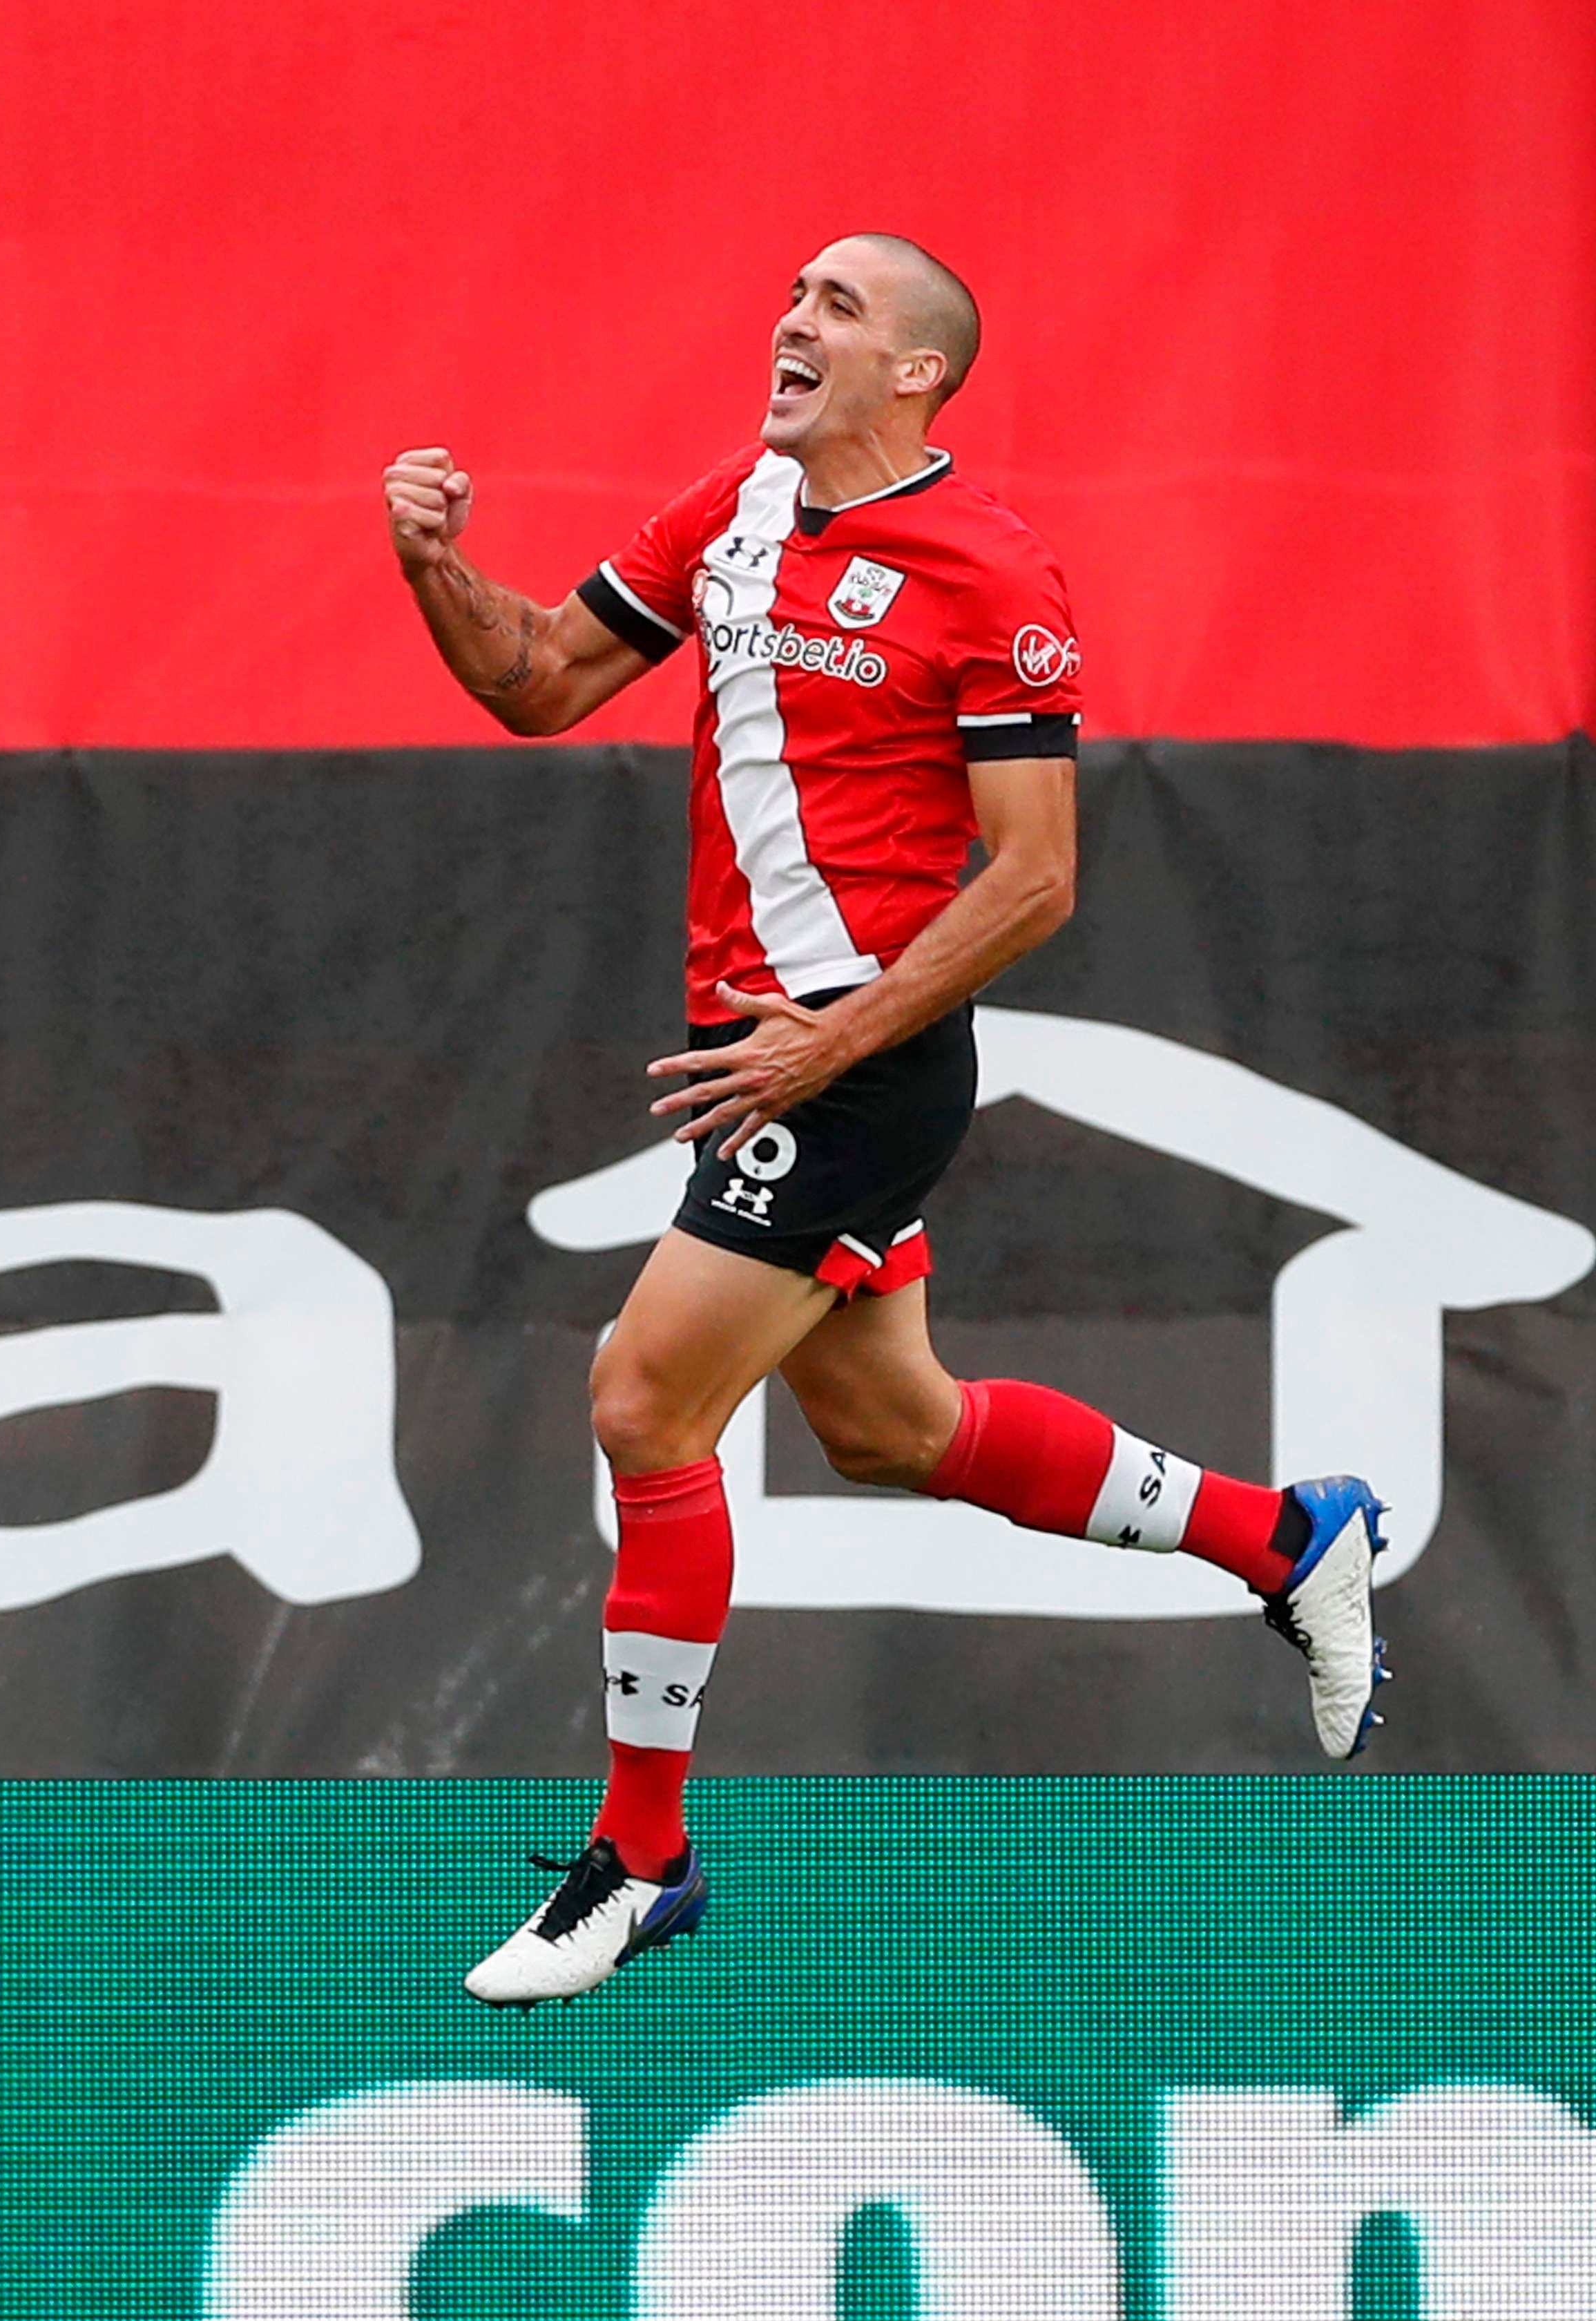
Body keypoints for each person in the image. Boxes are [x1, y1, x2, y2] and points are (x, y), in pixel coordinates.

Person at [381, 234, 1387, 2007]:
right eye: (786, 293)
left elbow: (1036, 880)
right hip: (752, 1053)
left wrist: (824, 1045)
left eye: (835, 308)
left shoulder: (992, 573)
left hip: (854, 1065)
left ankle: (641, 1855)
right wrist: (436, 566)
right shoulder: (732, 508)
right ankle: (1279, 1534)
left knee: (638, 1394)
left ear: (915, 371)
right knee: (891, 1429)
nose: (787, 321)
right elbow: (536, 681)